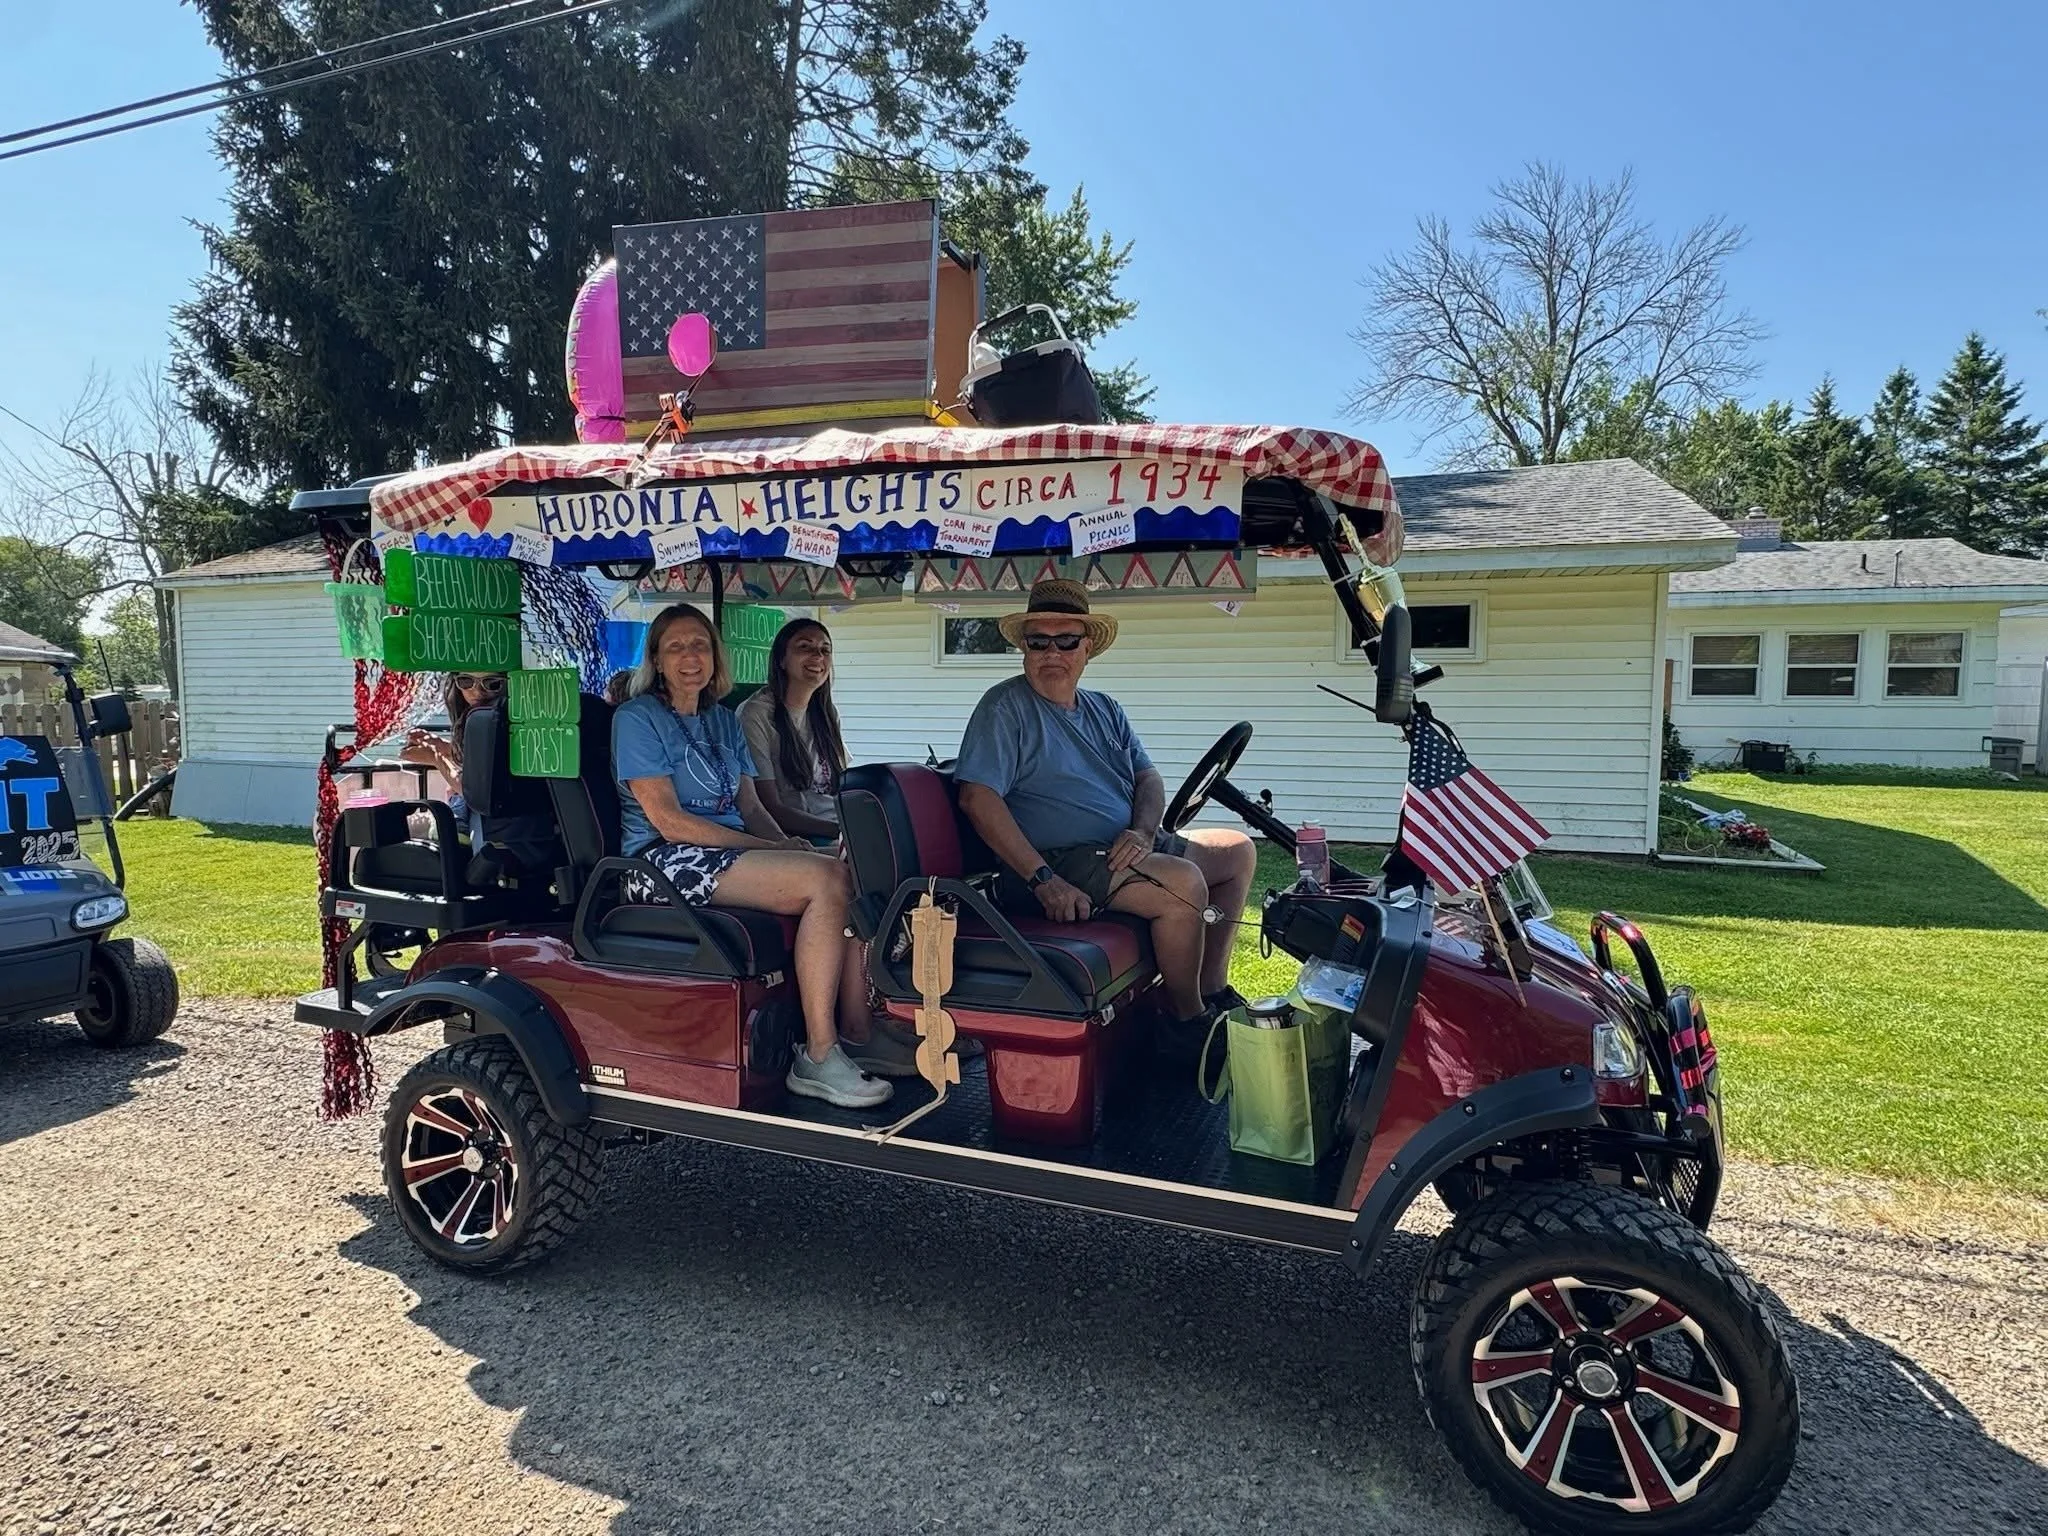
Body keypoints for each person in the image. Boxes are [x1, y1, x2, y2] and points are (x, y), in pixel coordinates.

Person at [612, 603, 914, 1106]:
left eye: (701, 645)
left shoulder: (721, 720)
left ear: (715, 656)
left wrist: (787, 845)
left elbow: (750, 806)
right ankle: (818, 1054)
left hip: (723, 853)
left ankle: (860, 1029)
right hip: (659, 861)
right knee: (825, 880)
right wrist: (771, 848)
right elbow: (669, 821)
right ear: (657, 660)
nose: (691, 657)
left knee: (851, 870)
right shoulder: (637, 718)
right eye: (676, 647)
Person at [954, 579, 1257, 1058]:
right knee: (1183, 884)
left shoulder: (1105, 709)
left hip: (1121, 847)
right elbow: (977, 798)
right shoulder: (1005, 707)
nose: (1052, 653)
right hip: (1057, 861)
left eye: (1066, 640)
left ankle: (1211, 989)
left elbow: (1148, 778)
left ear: (1087, 647)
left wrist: (1143, 830)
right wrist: (1044, 880)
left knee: (1237, 851)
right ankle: (1184, 1021)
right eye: (1038, 642)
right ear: (1024, 648)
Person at [401, 672, 557, 880]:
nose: (477, 691)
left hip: (506, 844)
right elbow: (485, 767)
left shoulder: (490, 718)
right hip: (528, 837)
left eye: (492, 683)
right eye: (466, 681)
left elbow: (477, 792)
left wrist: (436, 758)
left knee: (402, 829)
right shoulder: (514, 719)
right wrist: (442, 749)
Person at [736, 618, 846, 845]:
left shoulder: (826, 713)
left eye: (825, 650)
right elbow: (768, 807)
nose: (817, 656)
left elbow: (842, 784)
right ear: (782, 660)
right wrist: (842, 831)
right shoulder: (755, 714)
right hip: (801, 836)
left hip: (839, 825)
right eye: (804, 647)